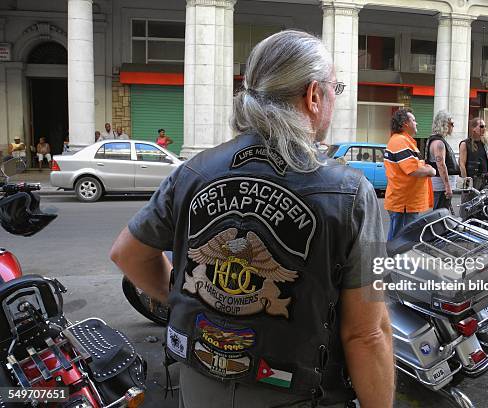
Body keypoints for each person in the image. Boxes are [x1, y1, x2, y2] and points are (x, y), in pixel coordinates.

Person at [110, 30, 394, 408]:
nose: (334, 99)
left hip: (197, 388)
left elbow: (127, 254)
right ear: (313, 95)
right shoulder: (355, 194)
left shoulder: (193, 170)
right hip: (299, 394)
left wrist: (189, 297)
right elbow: (368, 333)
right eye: (334, 88)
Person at [384, 108, 435, 240]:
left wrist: (424, 166)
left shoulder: (403, 141)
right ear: (405, 123)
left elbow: (414, 166)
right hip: (404, 203)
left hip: (405, 202)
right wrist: (430, 170)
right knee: (401, 239)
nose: (417, 123)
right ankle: (392, 260)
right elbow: (413, 170)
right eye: (414, 120)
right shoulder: (401, 141)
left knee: (401, 237)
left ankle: (394, 259)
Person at [426, 110, 460, 211]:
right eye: (451, 124)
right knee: (440, 214)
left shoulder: (437, 141)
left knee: (441, 213)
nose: (453, 127)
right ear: (444, 124)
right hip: (441, 187)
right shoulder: (438, 143)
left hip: (441, 186)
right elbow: (441, 165)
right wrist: (447, 187)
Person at [459, 117, 488, 209]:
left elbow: (486, 159)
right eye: (481, 126)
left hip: (483, 179)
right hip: (472, 180)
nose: (484, 128)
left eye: (485, 126)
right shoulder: (465, 144)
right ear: (473, 128)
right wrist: (466, 183)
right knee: (468, 206)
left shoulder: (484, 142)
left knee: (481, 207)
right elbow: (462, 164)